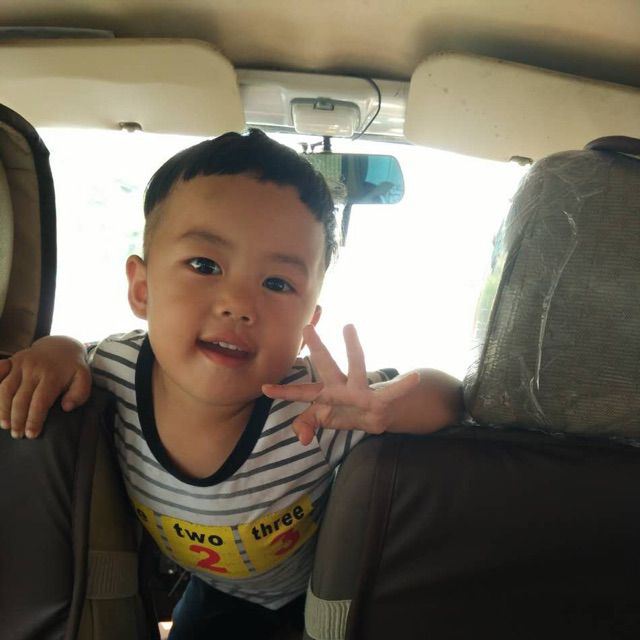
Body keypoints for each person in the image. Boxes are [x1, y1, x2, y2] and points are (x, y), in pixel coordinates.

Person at [0, 129, 463, 638]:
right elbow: (76, 361)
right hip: (211, 591)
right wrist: (57, 348)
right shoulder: (114, 370)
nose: (239, 304)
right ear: (143, 288)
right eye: (205, 265)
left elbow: (448, 398)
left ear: (309, 323)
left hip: (315, 595)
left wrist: (382, 408)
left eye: (277, 283)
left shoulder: (317, 407)